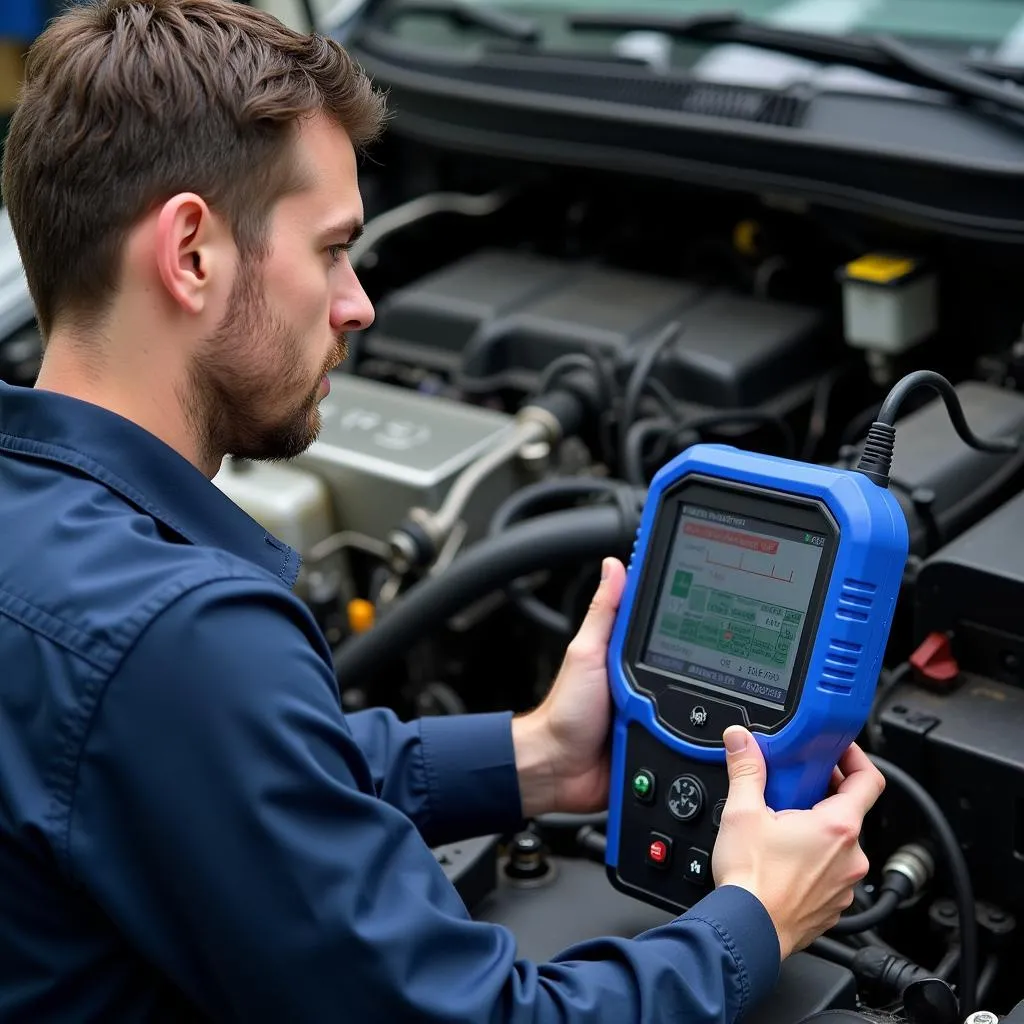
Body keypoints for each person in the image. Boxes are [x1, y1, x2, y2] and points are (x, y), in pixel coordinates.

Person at [0, 1, 885, 1020]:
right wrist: (755, 919)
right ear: (191, 251)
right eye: (332, 249)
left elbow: (231, 777)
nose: (359, 302)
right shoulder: (176, 640)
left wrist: (533, 757)